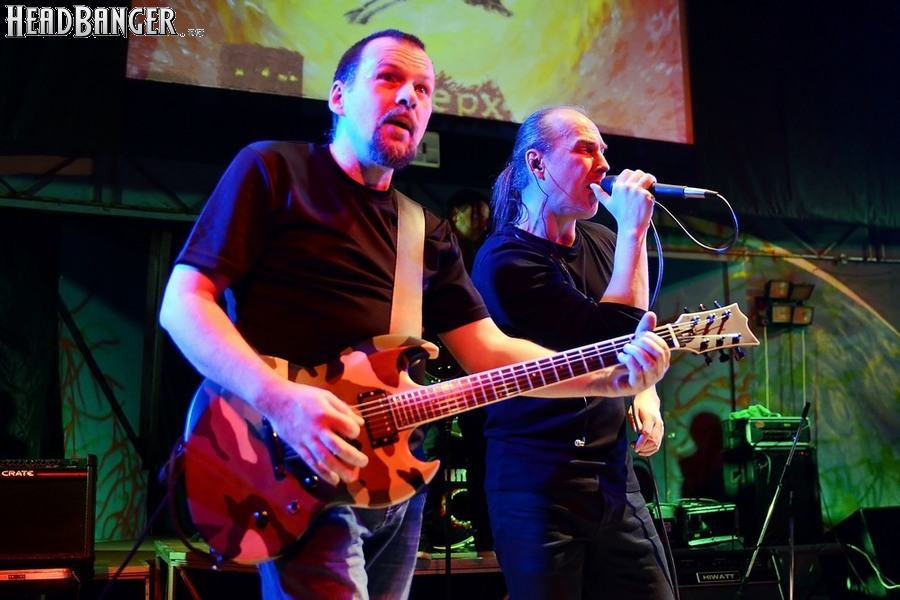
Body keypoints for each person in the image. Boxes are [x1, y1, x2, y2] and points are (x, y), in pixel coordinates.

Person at [159, 30, 670, 599]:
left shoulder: (422, 229)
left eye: (424, 89)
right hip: (293, 460)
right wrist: (280, 399)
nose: (409, 97)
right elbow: (183, 304)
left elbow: (491, 352)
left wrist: (610, 377)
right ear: (337, 97)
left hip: (395, 483)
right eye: (389, 78)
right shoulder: (273, 170)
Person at [470, 105, 675, 599]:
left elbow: (636, 335)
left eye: (603, 150)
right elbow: (606, 344)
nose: (604, 164)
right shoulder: (506, 260)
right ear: (537, 164)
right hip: (537, 486)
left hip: (614, 479)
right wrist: (634, 231)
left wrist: (645, 392)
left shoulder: (603, 240)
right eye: (585, 149)